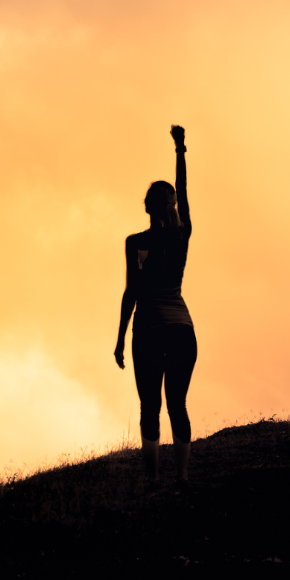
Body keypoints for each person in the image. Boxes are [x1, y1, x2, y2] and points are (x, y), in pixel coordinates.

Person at [114, 125, 197, 481]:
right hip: (181, 330)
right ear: (173, 204)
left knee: (151, 407)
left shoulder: (139, 241)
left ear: (148, 206)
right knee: (176, 405)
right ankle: (181, 478)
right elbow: (185, 189)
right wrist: (180, 150)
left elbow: (131, 292)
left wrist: (119, 339)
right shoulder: (180, 235)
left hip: (148, 332)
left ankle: (153, 483)